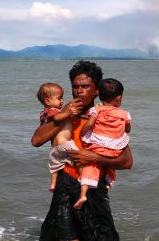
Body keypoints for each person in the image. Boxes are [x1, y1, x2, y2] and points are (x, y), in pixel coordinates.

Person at [31, 60, 133, 241]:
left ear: (97, 91)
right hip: (64, 186)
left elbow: (126, 162)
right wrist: (65, 115)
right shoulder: (59, 114)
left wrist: (93, 157)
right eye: (75, 86)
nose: (79, 91)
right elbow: (37, 140)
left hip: (93, 189)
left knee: (100, 236)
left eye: (85, 86)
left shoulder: (107, 117)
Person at [74, 78, 132, 209]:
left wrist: (82, 134)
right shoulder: (125, 113)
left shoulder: (97, 110)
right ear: (118, 99)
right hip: (115, 146)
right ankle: (108, 182)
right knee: (110, 162)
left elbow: (89, 124)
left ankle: (83, 194)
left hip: (98, 144)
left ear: (98, 95)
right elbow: (128, 129)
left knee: (91, 166)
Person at [36, 83, 79, 192]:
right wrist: (69, 112)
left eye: (62, 98)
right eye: (59, 98)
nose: (62, 101)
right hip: (64, 143)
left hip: (55, 147)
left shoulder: (45, 113)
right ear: (47, 101)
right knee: (79, 159)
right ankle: (83, 176)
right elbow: (57, 118)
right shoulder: (52, 111)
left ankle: (53, 184)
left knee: (55, 166)